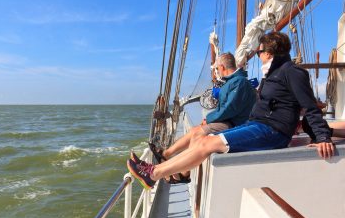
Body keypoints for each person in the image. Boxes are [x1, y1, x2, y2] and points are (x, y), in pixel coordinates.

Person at [127, 31, 335, 190]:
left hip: (273, 132)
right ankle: (169, 171)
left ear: (269, 53)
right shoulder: (275, 73)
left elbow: (309, 105)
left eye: (259, 52)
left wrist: (323, 136)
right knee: (199, 140)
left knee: (207, 143)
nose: (258, 56)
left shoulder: (292, 72)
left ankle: (153, 174)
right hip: (259, 126)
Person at [147, 52, 256, 183]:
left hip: (235, 124)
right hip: (228, 121)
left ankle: (183, 173)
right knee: (194, 131)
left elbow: (230, 109)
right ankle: (166, 155)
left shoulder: (239, 83)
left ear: (221, 67)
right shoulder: (233, 82)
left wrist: (208, 119)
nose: (217, 71)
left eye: (216, 68)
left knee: (197, 133)